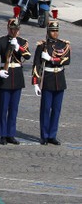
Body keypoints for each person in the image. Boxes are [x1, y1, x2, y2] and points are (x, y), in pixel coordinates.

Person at [0, 8, 30, 145]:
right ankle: (2, 134)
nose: (14, 31)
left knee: (14, 107)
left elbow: (28, 56)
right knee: (4, 107)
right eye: (12, 29)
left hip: (17, 76)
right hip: (5, 75)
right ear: (8, 28)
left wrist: (18, 48)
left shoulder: (22, 42)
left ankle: (11, 134)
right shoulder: (1, 41)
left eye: (16, 29)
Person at [32, 10, 70, 145]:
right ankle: (44, 135)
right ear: (48, 31)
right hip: (47, 79)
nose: (55, 33)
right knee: (46, 109)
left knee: (56, 109)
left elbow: (66, 60)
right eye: (53, 31)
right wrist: (36, 82)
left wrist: (51, 59)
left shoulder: (64, 45)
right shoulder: (42, 46)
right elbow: (36, 64)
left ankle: (52, 135)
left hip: (59, 79)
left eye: (56, 31)